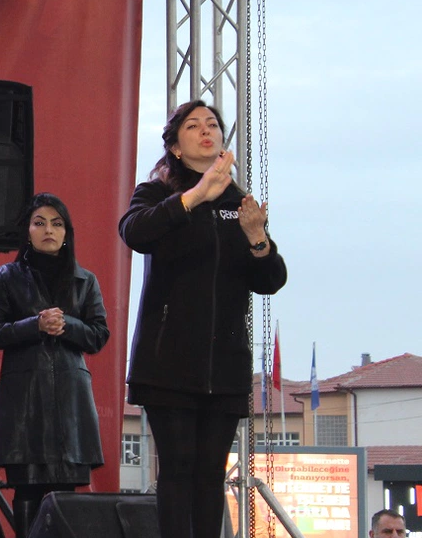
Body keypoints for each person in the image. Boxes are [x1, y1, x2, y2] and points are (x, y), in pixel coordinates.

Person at [119, 100, 288, 538]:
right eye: (193, 126)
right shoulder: (156, 192)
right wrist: (195, 197)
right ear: (176, 146)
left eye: (212, 124)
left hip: (225, 363)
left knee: (211, 474)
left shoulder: (238, 201)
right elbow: (134, 232)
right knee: (178, 468)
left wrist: (257, 238)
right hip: (168, 361)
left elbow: (270, 280)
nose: (206, 130)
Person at [0, 193, 109, 538]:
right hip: (25, 400)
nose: (48, 230)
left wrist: (66, 324)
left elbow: (99, 335)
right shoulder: (6, 276)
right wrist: (35, 325)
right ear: (27, 231)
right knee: (27, 488)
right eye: (39, 223)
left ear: (67, 232)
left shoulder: (85, 280)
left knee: (65, 495)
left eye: (57, 224)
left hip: (71, 402)